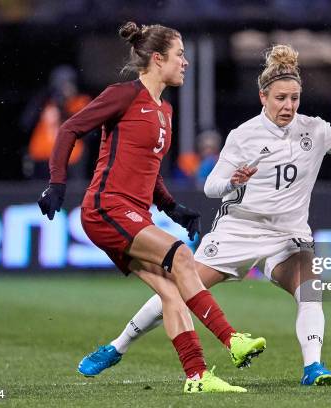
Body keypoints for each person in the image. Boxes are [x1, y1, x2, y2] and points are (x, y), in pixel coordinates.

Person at [77, 44, 331, 386]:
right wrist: (232, 180)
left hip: (288, 234)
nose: (289, 106)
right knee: (179, 290)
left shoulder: (314, 130)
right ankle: (116, 346)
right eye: (280, 98)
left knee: (311, 290)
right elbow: (211, 186)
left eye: (294, 98)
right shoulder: (243, 136)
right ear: (263, 97)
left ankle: (314, 367)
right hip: (239, 230)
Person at [37, 21, 267, 394]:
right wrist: (57, 183)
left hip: (133, 214)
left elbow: (149, 170)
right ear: (158, 59)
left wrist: (173, 207)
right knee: (181, 258)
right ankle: (231, 339)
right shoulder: (123, 95)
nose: (185, 62)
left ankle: (197, 376)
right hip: (105, 208)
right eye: (179, 55)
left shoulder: (164, 110)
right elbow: (69, 130)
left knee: (171, 292)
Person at [20, 65, 91, 179]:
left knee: (71, 193)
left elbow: (85, 128)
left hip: (70, 158)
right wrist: (43, 98)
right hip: (42, 156)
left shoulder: (81, 102)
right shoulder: (45, 101)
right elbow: (26, 122)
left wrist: (62, 106)